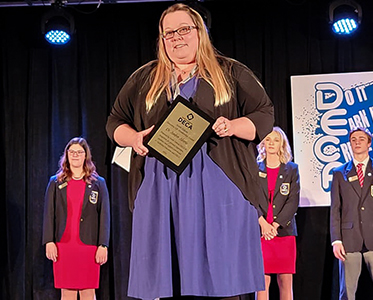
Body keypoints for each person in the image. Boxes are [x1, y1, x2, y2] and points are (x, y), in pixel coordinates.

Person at [106, 3, 274, 299]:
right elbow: (115, 122)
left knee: (221, 281)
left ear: (200, 32)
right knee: (168, 281)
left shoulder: (230, 72)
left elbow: (264, 115)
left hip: (219, 184)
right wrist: (133, 138)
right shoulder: (146, 78)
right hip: (160, 187)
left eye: (184, 29)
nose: (176, 37)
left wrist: (233, 125)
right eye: (168, 33)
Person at [330, 127, 373, 300]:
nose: (357, 142)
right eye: (353, 139)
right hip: (349, 240)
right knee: (347, 292)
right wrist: (336, 240)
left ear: (369, 143)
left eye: (361, 139)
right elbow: (335, 209)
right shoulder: (339, 173)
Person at [42, 137, 110, 300]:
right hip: (63, 246)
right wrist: (49, 241)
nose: (75, 155)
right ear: (66, 155)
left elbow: (105, 216)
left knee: (88, 292)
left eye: (79, 152)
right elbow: (48, 213)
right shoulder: (55, 182)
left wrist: (103, 244)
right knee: (67, 292)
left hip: (89, 247)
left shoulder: (98, 183)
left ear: (86, 155)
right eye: (71, 152)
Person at [256, 127, 299, 300]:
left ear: (281, 144)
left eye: (275, 140)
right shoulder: (254, 168)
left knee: (285, 282)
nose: (271, 143)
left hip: (283, 233)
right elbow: (250, 199)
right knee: (261, 282)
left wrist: (274, 225)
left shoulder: (291, 169)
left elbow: (292, 201)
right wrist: (263, 224)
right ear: (263, 144)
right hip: (260, 232)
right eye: (268, 139)